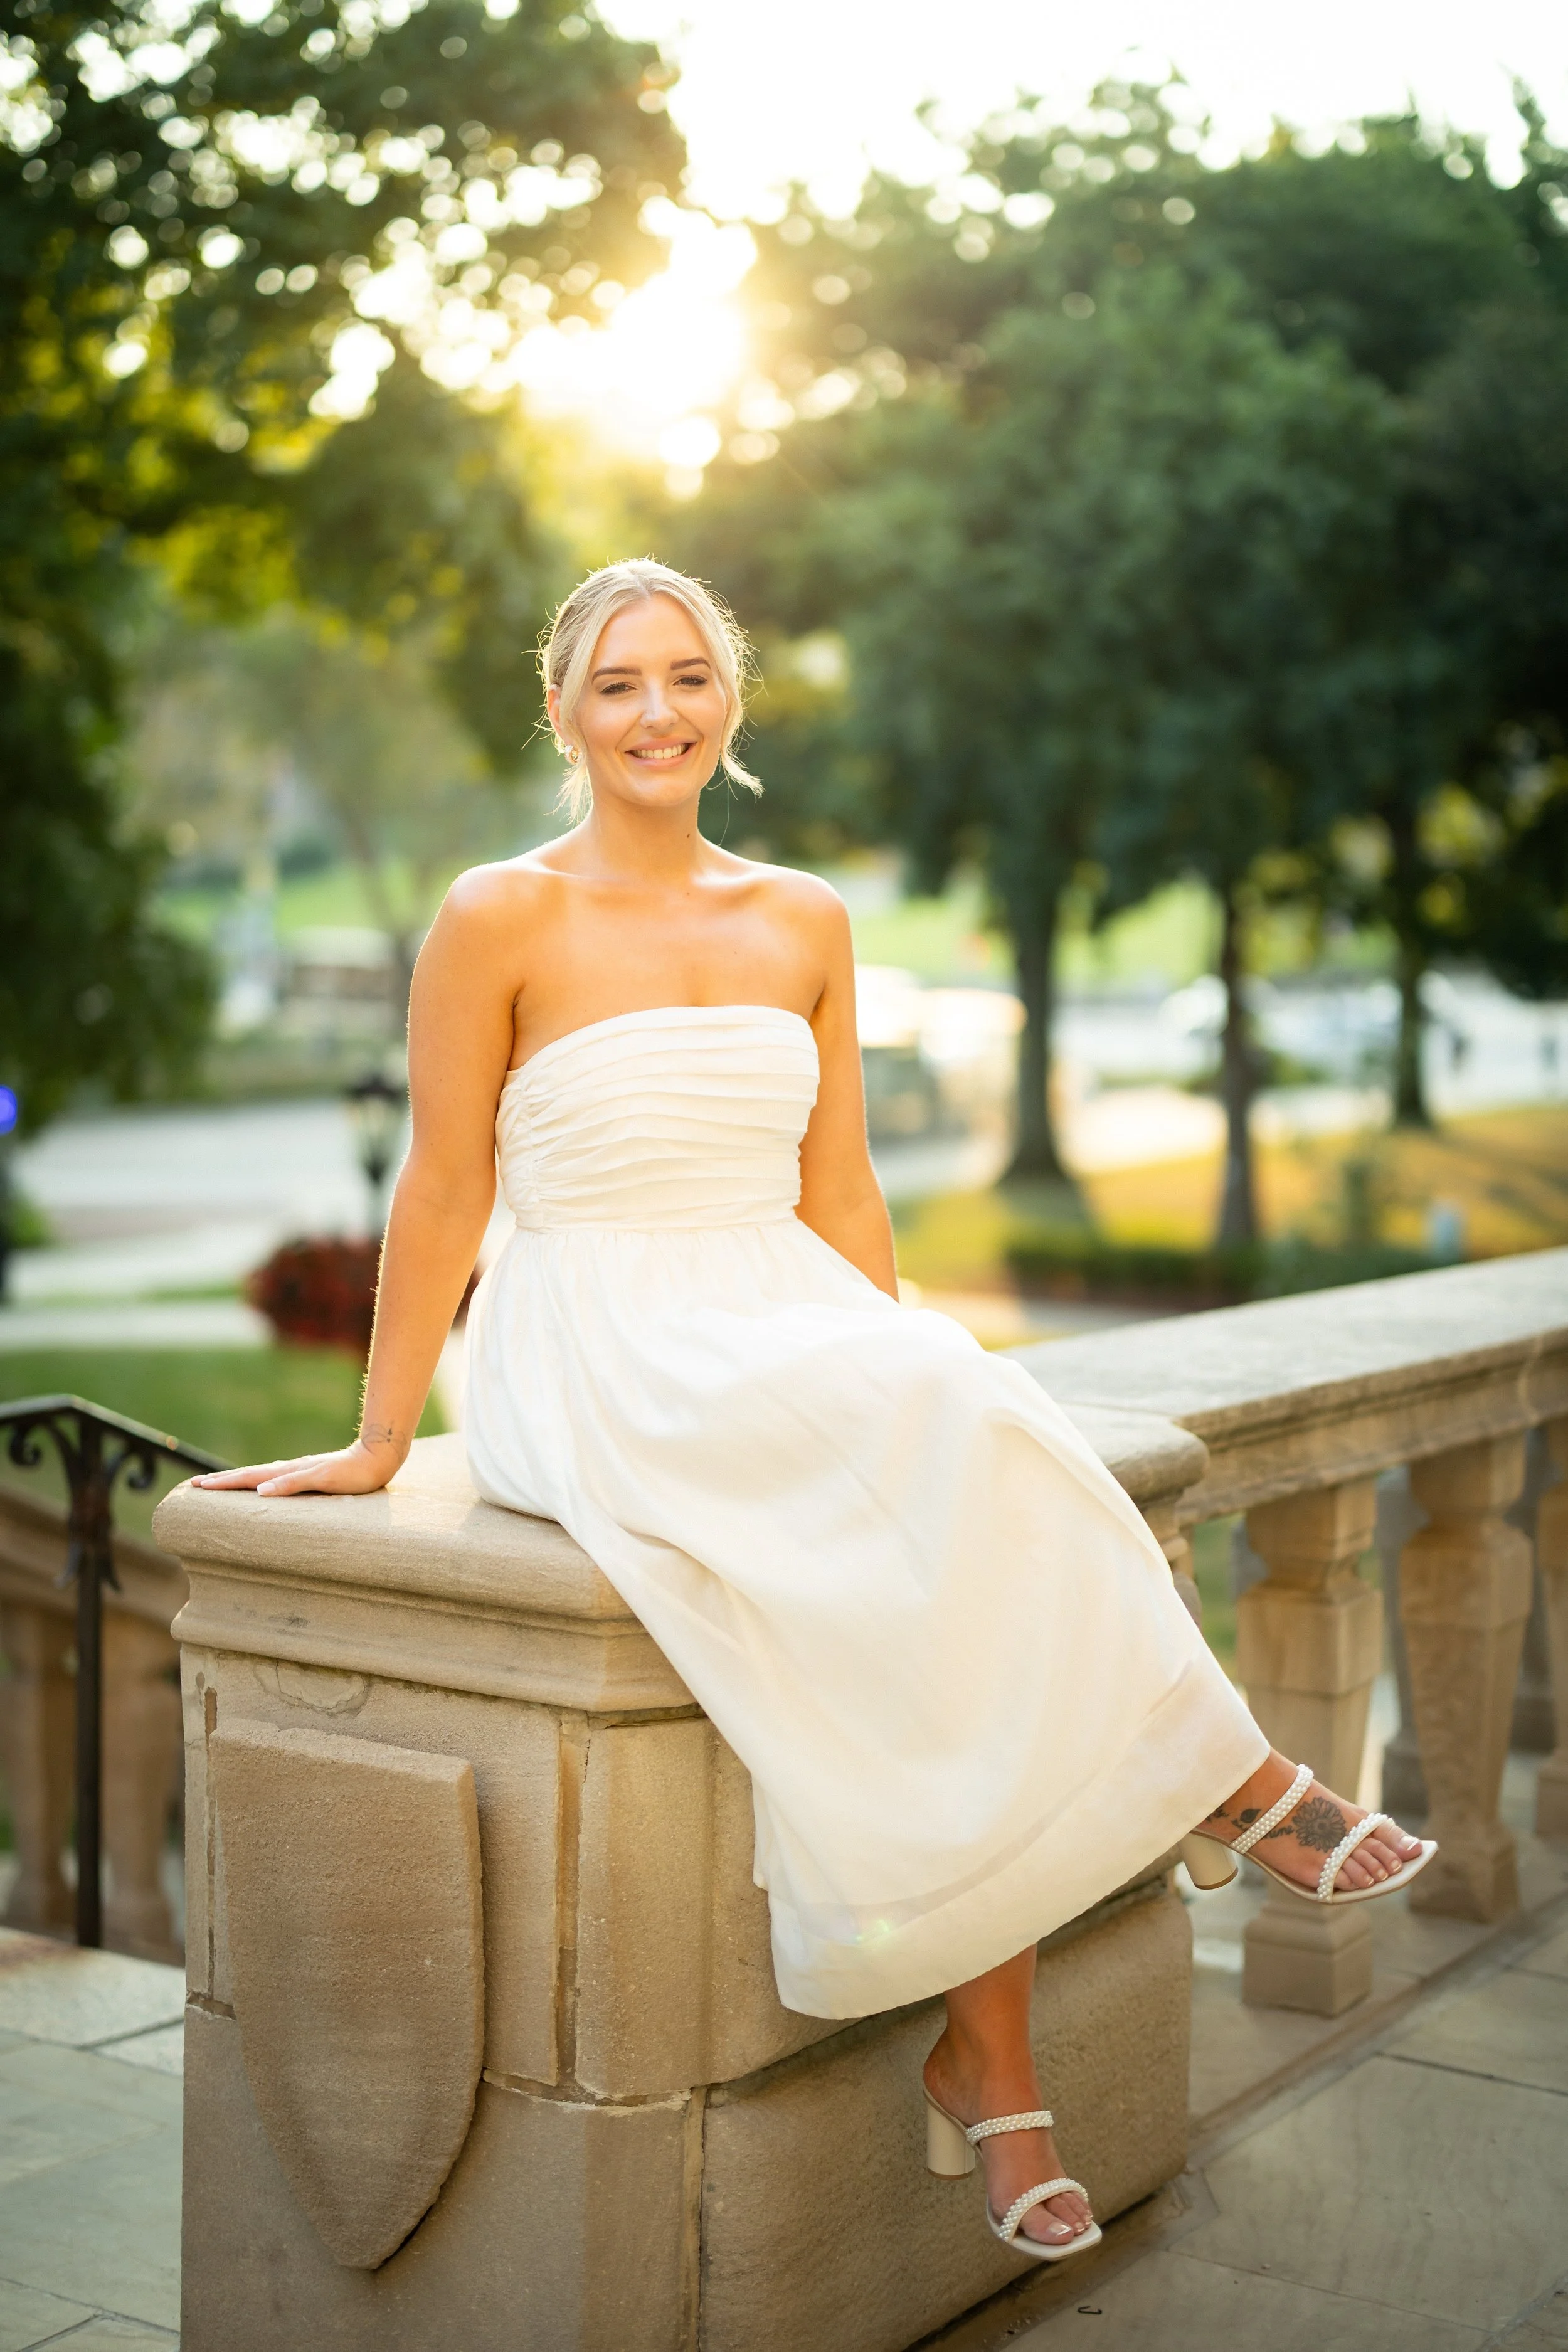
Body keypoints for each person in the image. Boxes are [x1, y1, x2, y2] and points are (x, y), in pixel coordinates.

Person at [195, 559, 1433, 2264]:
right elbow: (442, 1187)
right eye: (617, 682)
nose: (657, 710)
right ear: (561, 711)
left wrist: (908, 1373)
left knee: (955, 1473)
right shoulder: (499, 912)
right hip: (595, 1327)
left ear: (731, 701)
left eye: (687, 676)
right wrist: (381, 1437)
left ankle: (993, 2057)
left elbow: (840, 1187)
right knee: (917, 1472)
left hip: (772, 1297)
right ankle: (1227, 1794)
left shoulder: (804, 918)